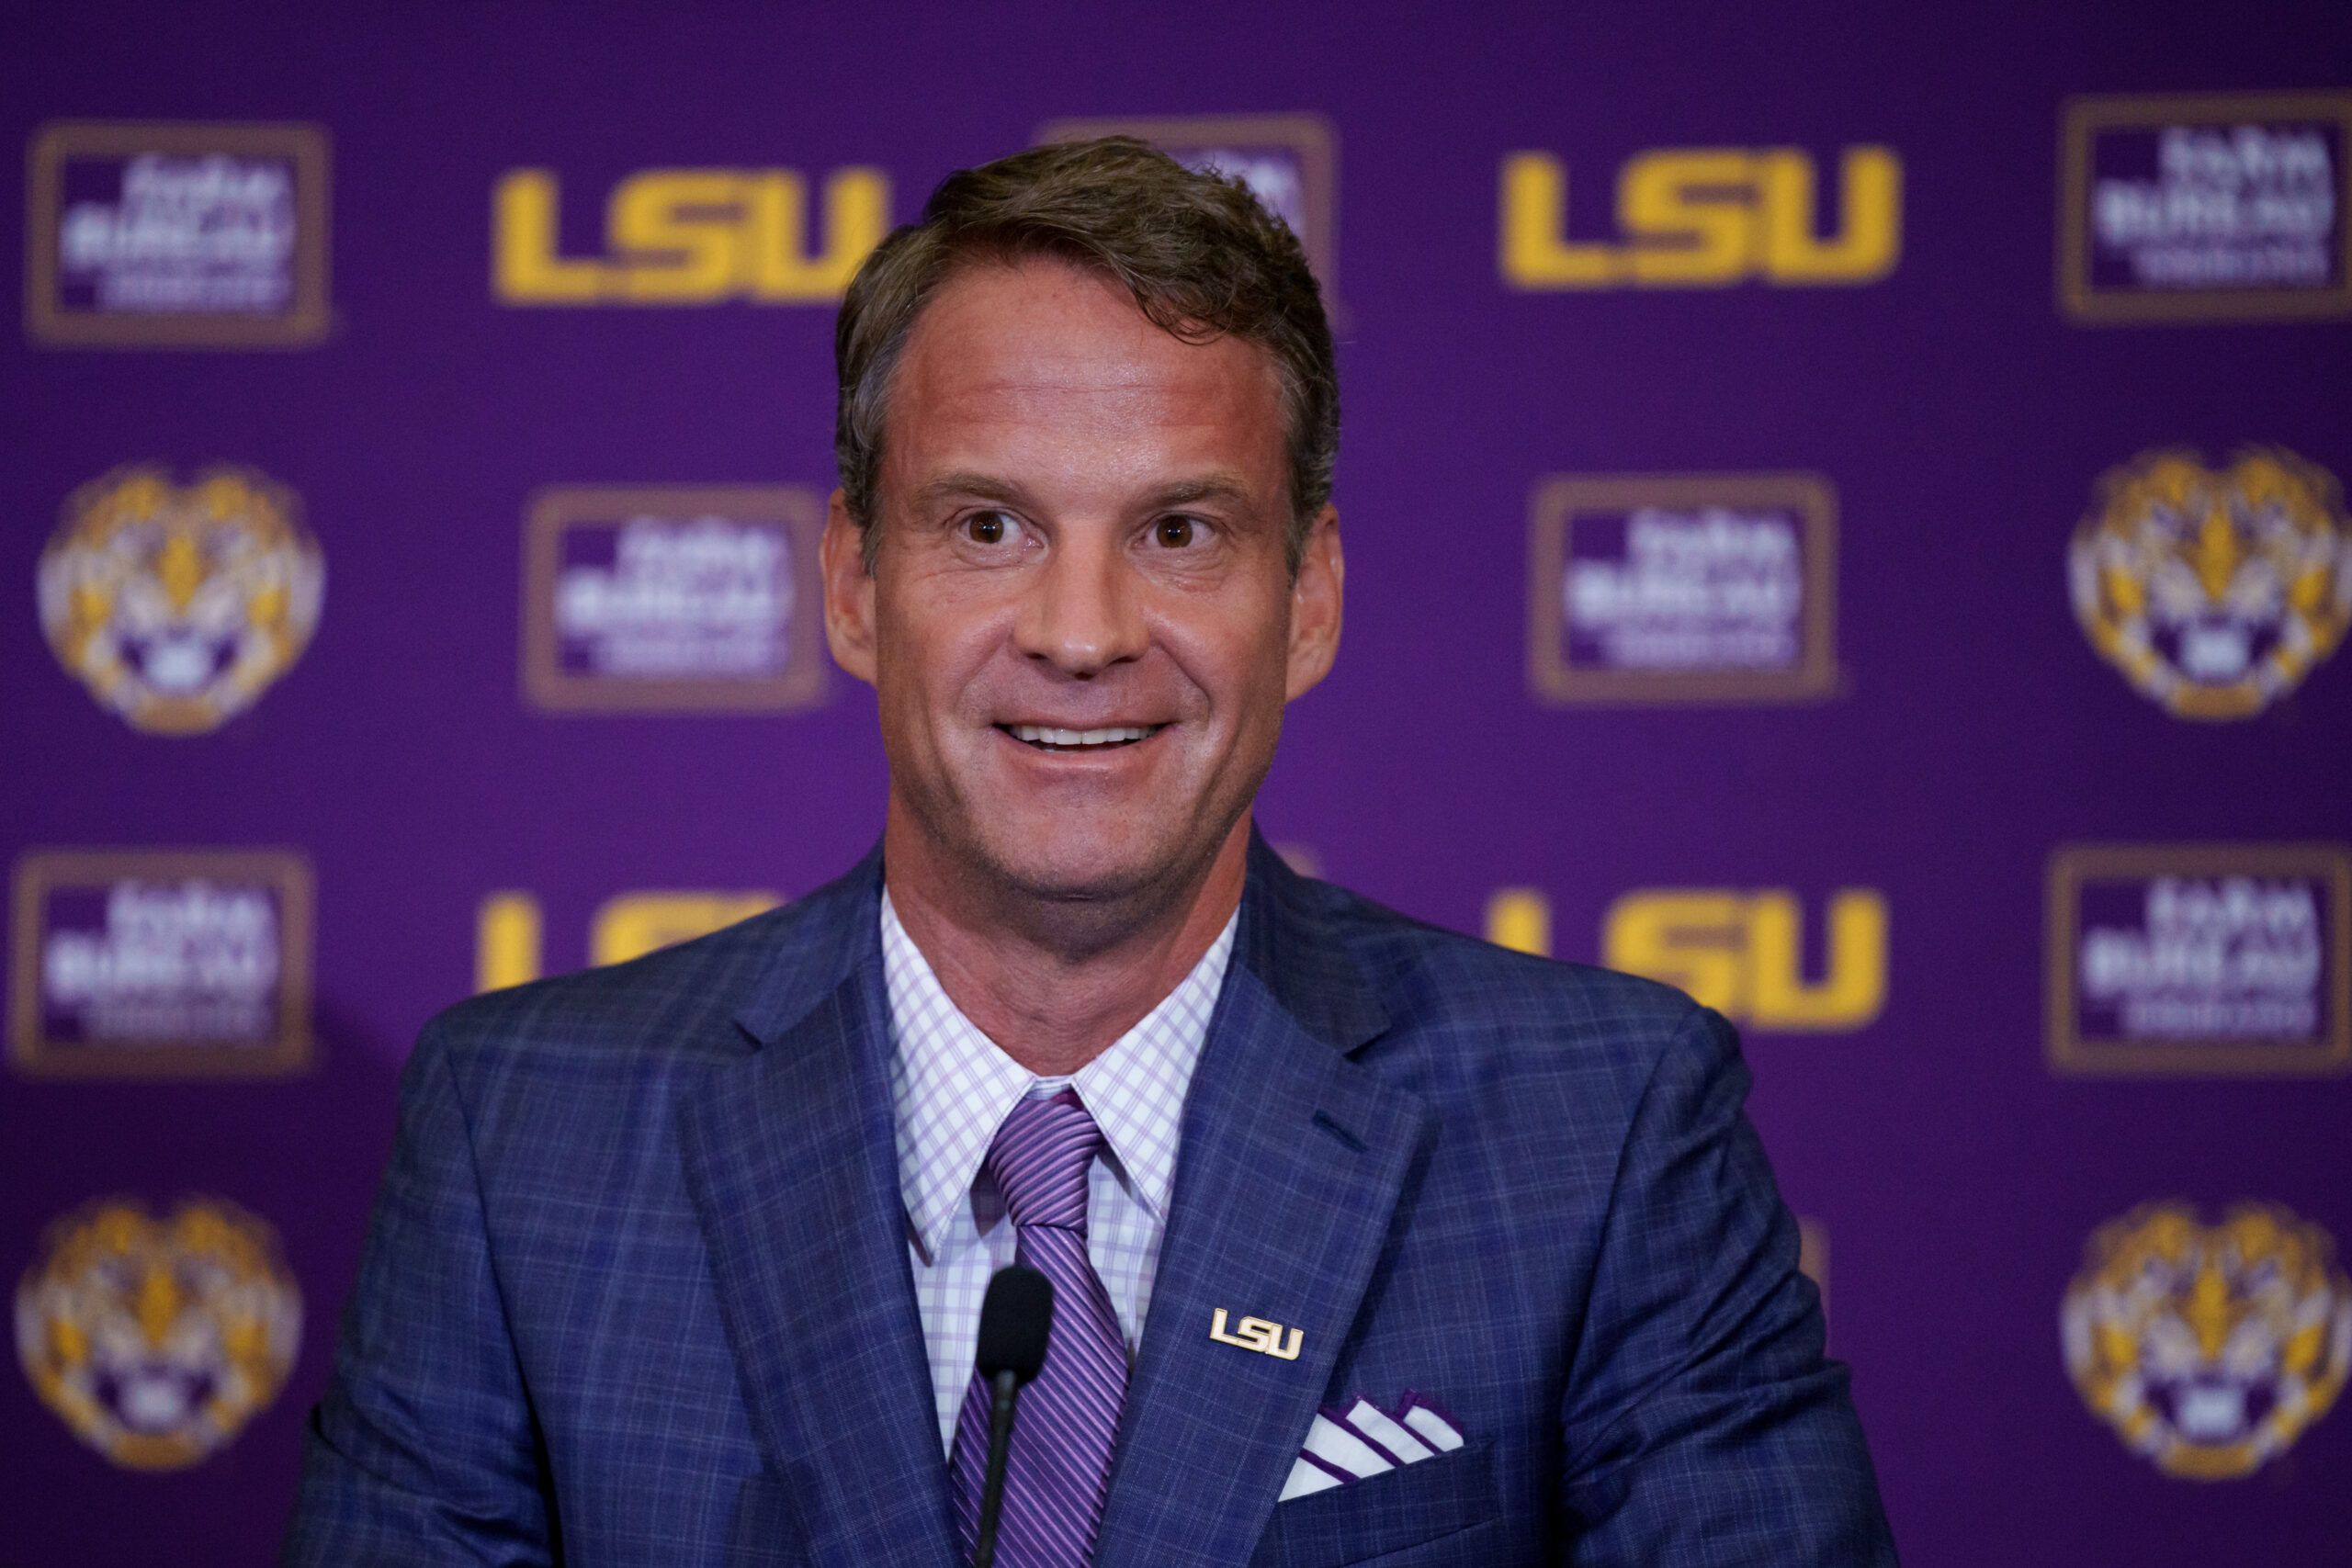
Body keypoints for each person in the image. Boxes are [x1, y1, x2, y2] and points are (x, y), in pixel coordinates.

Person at [284, 137, 1897, 1567]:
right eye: (988, 527)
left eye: (1179, 532)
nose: (1081, 634)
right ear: (852, 583)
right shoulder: (524, 1136)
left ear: (1311, 596)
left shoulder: (1603, 1130)